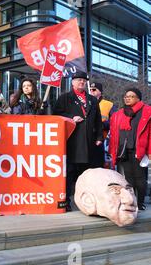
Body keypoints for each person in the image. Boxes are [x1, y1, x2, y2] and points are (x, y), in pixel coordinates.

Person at [53, 71, 103, 211]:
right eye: (78, 80)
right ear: (73, 82)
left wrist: (99, 137)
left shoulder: (92, 99)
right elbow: (56, 114)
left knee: (87, 175)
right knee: (69, 174)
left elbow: (98, 119)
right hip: (72, 141)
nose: (81, 82)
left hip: (88, 142)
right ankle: (67, 201)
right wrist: (71, 117)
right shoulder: (65, 98)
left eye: (83, 80)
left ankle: (87, 202)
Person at [109, 88, 150, 211]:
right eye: (126, 96)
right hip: (123, 150)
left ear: (138, 98)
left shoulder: (147, 112)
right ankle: (132, 201)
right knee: (128, 178)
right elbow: (114, 134)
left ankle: (141, 201)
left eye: (131, 96)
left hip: (139, 149)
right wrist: (112, 150)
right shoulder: (118, 114)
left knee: (140, 178)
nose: (127, 98)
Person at [88, 82, 117, 168]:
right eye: (89, 89)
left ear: (100, 92)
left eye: (94, 89)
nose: (91, 91)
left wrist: (100, 125)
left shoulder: (109, 105)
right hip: (88, 139)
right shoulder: (85, 102)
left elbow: (114, 121)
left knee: (102, 166)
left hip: (103, 141)